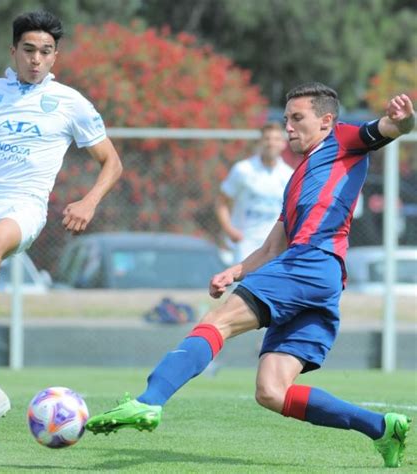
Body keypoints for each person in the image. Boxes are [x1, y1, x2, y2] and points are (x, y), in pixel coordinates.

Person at [86, 83, 415, 468]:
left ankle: (149, 401)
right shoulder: (298, 179)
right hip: (319, 278)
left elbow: (390, 129)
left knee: (218, 323)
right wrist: (236, 270)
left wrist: (403, 119)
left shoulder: (342, 139)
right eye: (286, 119)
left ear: (326, 121)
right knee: (272, 391)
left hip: (309, 264)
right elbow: (272, 247)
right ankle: (381, 427)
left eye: (297, 118)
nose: (288, 127)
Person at [0, 12, 122, 435]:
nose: (36, 59)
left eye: (45, 51)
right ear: (13, 51)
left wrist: (90, 201)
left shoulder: (70, 102)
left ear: (54, 55)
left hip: (24, 207)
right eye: (28, 50)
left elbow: (111, 163)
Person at [216, 122, 293, 264]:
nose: (271, 143)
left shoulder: (289, 175)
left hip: (275, 246)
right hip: (246, 244)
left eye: (276, 139)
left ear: (283, 144)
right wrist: (229, 229)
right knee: (243, 285)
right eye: (267, 139)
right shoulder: (243, 170)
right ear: (260, 142)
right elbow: (222, 202)